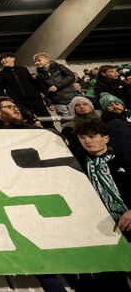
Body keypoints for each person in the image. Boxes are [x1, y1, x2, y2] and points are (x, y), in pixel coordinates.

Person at [71, 120, 131, 290]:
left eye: (92, 136)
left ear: (105, 138)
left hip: (128, 222)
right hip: (100, 227)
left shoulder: (124, 160)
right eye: (82, 137)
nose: (87, 141)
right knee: (114, 278)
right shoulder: (77, 165)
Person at [0, 52, 47, 121]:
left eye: (5, 58)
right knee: (28, 122)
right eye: (1, 59)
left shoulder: (23, 69)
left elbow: (32, 82)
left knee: (46, 119)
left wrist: (41, 92)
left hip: (35, 99)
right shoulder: (1, 74)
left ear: (13, 59)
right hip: (19, 102)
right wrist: (7, 98)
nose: (3, 60)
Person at [34, 52, 77, 118]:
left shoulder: (59, 66)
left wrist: (57, 86)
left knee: (78, 119)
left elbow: (71, 76)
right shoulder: (39, 76)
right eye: (35, 61)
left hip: (71, 98)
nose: (36, 63)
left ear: (47, 60)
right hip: (58, 102)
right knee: (66, 122)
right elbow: (44, 90)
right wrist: (49, 103)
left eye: (39, 60)